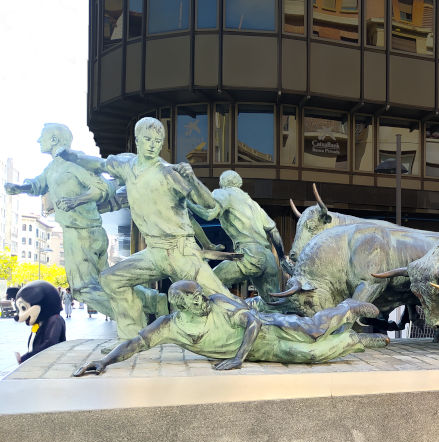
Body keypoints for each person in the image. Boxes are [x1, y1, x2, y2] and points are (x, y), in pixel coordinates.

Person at [58, 117, 234, 340]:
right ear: (137, 140)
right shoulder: (127, 165)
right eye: (148, 139)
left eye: (157, 141)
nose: (152, 145)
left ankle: (257, 330)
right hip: (154, 252)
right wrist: (70, 155)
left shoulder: (169, 173)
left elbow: (209, 205)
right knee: (112, 279)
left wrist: (193, 179)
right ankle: (132, 338)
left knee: (223, 300)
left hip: (181, 252)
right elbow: (99, 164)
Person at [4, 123, 167, 321]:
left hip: (80, 234)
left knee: (83, 289)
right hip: (90, 233)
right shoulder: (53, 168)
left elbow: (104, 188)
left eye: (43, 136)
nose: (39, 140)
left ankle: (131, 317)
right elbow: (38, 184)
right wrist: (20, 188)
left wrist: (76, 201)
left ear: (54, 140)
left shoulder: (73, 163)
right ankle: (152, 301)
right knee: (107, 282)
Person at [73, 281, 389, 376]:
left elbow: (252, 321)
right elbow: (137, 342)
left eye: (200, 295)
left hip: (267, 330)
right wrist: (105, 361)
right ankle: (355, 340)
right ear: (181, 305)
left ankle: (347, 309)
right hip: (262, 351)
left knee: (314, 330)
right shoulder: (171, 326)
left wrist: (239, 358)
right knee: (311, 355)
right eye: (194, 299)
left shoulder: (218, 303)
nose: (201, 300)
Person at [180, 168, 284, 301]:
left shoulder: (223, 193)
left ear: (222, 183)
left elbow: (208, 214)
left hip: (249, 256)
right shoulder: (253, 204)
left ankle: (229, 309)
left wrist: (187, 203)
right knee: (274, 304)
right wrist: (282, 258)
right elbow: (273, 231)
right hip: (269, 258)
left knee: (207, 283)